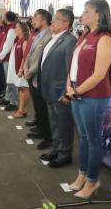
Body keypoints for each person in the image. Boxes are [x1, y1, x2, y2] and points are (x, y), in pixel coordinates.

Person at [65, 0, 111, 199]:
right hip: (77, 93)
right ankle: (82, 175)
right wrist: (69, 84)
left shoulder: (104, 38)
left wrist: (77, 91)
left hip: (93, 97)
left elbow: (99, 74)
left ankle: (93, 181)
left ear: (98, 14)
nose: (82, 15)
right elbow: (74, 65)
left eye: (86, 11)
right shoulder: (85, 35)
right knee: (83, 138)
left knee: (94, 141)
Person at [38, 9, 77, 168]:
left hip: (60, 90)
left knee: (64, 124)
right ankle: (56, 148)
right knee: (54, 123)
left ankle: (65, 153)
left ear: (66, 23)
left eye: (56, 19)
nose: (52, 22)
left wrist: (67, 92)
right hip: (49, 88)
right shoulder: (53, 38)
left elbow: (70, 69)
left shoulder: (70, 41)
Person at [23, 9, 53, 150]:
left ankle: (48, 137)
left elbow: (41, 56)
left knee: (43, 108)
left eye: (35, 17)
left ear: (43, 21)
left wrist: (30, 70)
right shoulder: (38, 34)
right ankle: (41, 129)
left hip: (39, 76)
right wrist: (25, 67)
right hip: (32, 75)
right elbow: (30, 53)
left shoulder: (49, 35)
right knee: (38, 106)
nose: (32, 20)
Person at [7, 22, 30, 118]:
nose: (15, 29)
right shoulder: (18, 40)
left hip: (21, 70)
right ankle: (21, 109)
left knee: (23, 88)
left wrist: (21, 69)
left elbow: (25, 56)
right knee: (20, 88)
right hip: (16, 69)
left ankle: (22, 110)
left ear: (22, 29)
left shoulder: (25, 41)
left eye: (17, 28)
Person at [0, 11, 18, 111]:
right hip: (7, 57)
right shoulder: (9, 28)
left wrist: (1, 56)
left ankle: (13, 101)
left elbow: (8, 44)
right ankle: (8, 97)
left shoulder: (12, 29)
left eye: (3, 17)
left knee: (10, 80)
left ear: (6, 18)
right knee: (8, 79)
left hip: (9, 58)